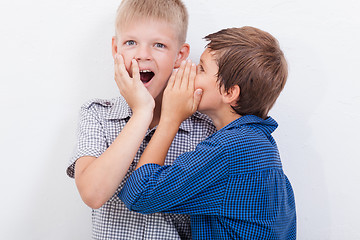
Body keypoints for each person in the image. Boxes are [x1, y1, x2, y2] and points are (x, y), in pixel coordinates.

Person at [118, 26, 296, 239]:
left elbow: (139, 194)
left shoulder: (231, 148)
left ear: (230, 92)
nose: (189, 70)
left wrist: (170, 118)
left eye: (201, 68)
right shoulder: (260, 144)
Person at [66, 0, 215, 239]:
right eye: (131, 42)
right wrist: (142, 112)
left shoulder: (206, 129)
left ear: (180, 55)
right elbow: (93, 194)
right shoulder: (97, 114)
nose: (142, 55)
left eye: (159, 45)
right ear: (116, 49)